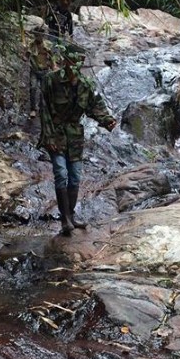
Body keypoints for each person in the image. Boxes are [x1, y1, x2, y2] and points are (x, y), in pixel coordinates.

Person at [38, 42, 116, 235]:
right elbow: (44, 110)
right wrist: (48, 136)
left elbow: (94, 106)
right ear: (65, 60)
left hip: (74, 137)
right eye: (73, 60)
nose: (77, 64)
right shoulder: (51, 80)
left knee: (75, 178)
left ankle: (71, 215)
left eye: (80, 61)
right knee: (61, 174)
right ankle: (64, 219)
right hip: (55, 134)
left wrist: (107, 121)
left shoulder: (84, 84)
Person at [26, 25, 55, 117]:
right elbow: (26, 56)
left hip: (45, 71)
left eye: (40, 35)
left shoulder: (48, 45)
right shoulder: (31, 45)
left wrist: (53, 65)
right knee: (33, 88)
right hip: (34, 70)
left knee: (44, 90)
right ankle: (33, 109)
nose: (38, 37)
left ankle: (42, 107)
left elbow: (53, 57)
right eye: (36, 35)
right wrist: (25, 55)